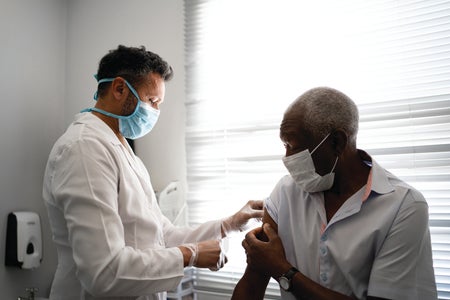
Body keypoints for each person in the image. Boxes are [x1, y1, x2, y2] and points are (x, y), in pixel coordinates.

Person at [42, 45, 263, 300]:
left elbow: (162, 235)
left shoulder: (122, 149)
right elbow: (104, 272)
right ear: (119, 88)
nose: (155, 112)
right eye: (152, 101)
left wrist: (229, 224)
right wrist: (189, 255)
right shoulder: (84, 149)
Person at [231, 87, 437, 300]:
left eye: (294, 147)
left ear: (337, 142)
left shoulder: (404, 206)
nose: (287, 158)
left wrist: (284, 271)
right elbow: (253, 280)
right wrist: (267, 263)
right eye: (285, 145)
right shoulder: (286, 192)